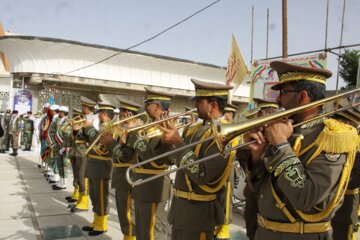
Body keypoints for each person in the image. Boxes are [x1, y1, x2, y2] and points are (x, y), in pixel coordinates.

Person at [244, 61, 358, 240]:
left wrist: (281, 145)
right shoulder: (283, 130)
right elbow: (258, 190)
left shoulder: (331, 137)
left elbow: (306, 197)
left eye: (283, 92)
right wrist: (256, 157)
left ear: (303, 96)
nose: (278, 99)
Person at [159, 78, 238, 240]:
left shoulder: (225, 135)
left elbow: (202, 174)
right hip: (181, 209)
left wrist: (178, 143)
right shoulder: (194, 129)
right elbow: (176, 161)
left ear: (213, 106)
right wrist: (167, 141)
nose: (195, 106)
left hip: (199, 213)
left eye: (199, 102)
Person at [124, 88, 175, 240]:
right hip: (141, 182)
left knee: (153, 231)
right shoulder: (150, 125)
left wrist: (133, 133)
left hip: (153, 184)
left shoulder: (164, 127)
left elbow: (151, 157)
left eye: (148, 103)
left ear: (157, 106)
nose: (145, 106)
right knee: (141, 229)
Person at [237, 99, 279, 240]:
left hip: (273, 201)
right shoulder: (250, 142)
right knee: (252, 231)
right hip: (253, 195)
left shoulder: (280, 139)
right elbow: (245, 165)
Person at [102, 97, 143, 240]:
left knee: (128, 212)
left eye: (123, 112)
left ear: (129, 113)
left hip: (128, 174)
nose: (120, 116)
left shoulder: (136, 130)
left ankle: (130, 237)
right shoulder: (121, 129)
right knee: (122, 210)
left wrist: (112, 143)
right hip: (120, 173)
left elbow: (128, 156)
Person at [82, 100, 115, 236]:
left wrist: (89, 128)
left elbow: (100, 141)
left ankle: (102, 225)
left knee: (101, 197)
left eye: (100, 113)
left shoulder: (111, 128)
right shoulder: (101, 126)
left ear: (103, 114)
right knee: (94, 196)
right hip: (94, 163)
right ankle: (96, 221)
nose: (98, 116)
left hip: (102, 165)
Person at [331, 106, 360, 240]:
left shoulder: (357, 146)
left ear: (348, 124)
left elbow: (355, 180)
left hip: (344, 207)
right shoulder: (328, 142)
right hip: (322, 208)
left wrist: (326, 180)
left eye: (338, 122)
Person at [69, 96, 96, 210]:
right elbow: (78, 136)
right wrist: (75, 131)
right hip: (78, 150)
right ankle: (80, 198)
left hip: (85, 151)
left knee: (83, 176)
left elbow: (92, 136)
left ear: (86, 107)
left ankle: (84, 201)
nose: (81, 108)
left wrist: (83, 128)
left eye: (83, 106)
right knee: (78, 176)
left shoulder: (93, 119)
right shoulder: (85, 118)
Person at [52, 106, 72, 190]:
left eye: (60, 112)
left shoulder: (68, 122)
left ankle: (64, 183)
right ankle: (60, 181)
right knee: (59, 164)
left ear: (63, 113)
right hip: (58, 146)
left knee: (64, 165)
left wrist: (64, 147)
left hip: (64, 148)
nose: (59, 113)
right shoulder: (59, 120)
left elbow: (68, 136)